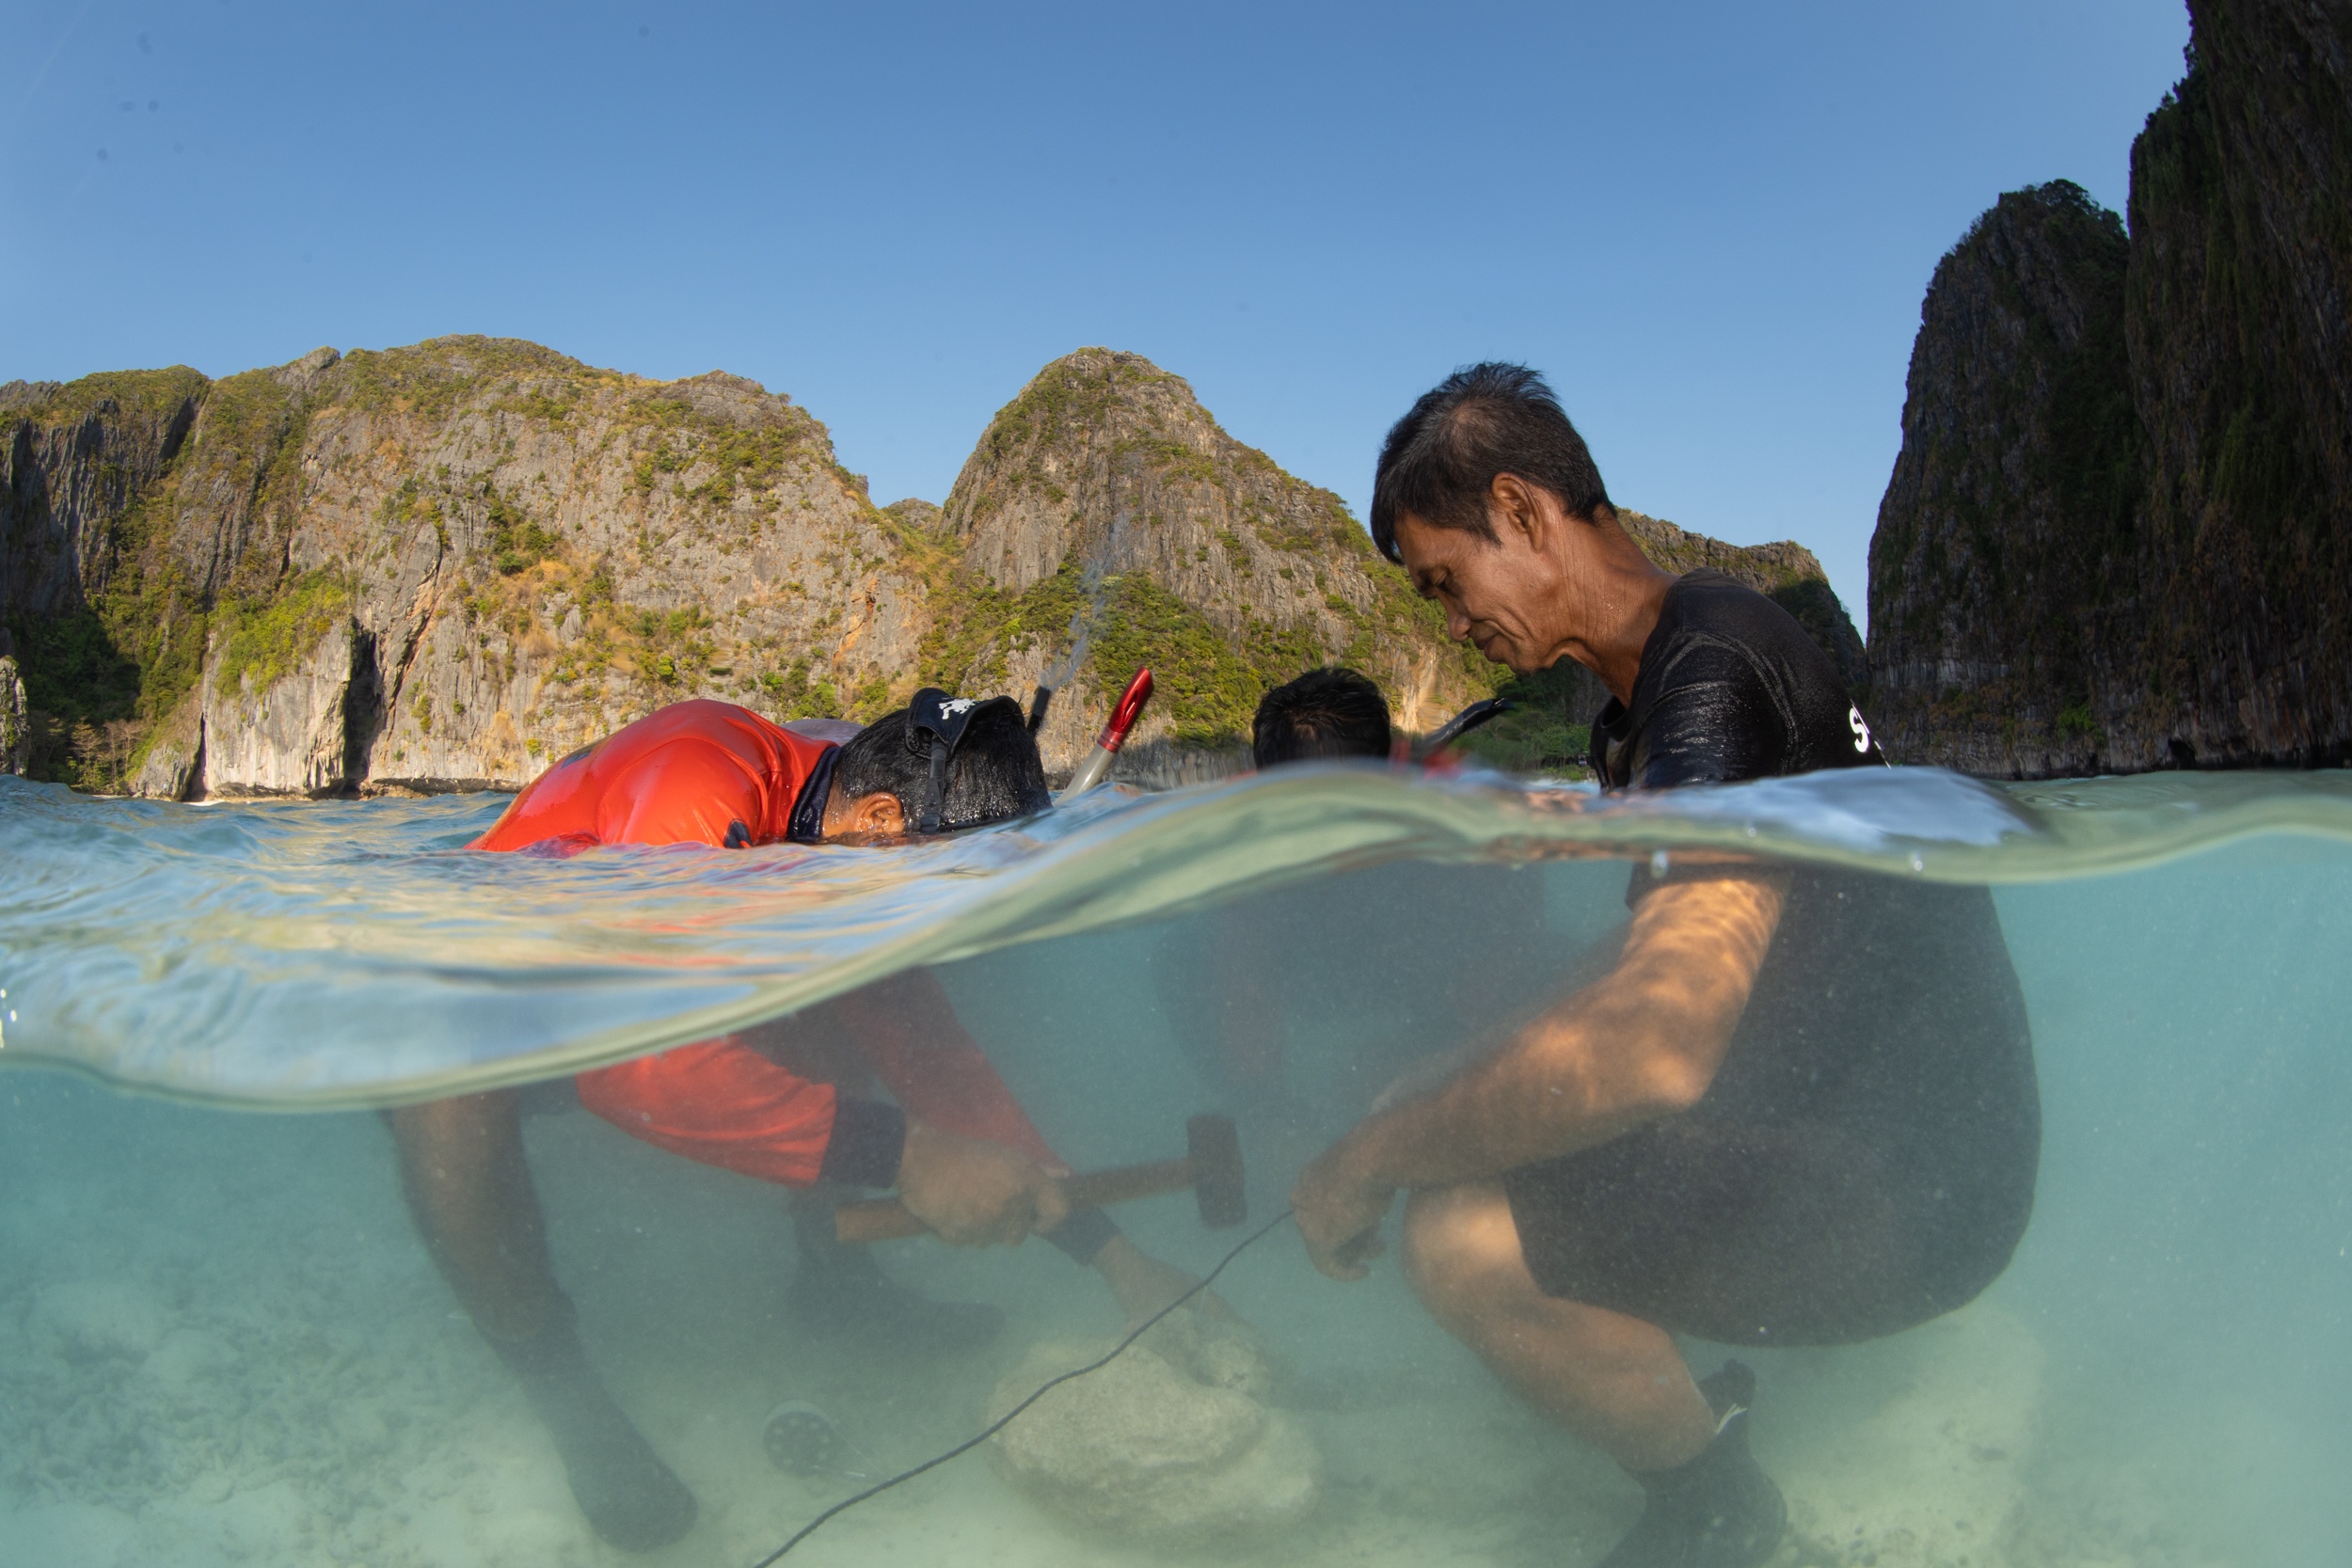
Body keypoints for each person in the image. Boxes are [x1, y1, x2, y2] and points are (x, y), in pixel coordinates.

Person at [1289, 365, 2040, 1568]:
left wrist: (1371, 1153)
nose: (1447, 619)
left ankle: (1716, 1504)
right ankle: (1694, 1390)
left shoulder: (1709, 675)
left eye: (1445, 579)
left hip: (1912, 1191)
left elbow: (1651, 1045)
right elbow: (1649, 962)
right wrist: (1447, 1078)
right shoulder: (1647, 699)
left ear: (1523, 510)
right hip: (1882, 1137)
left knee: (1458, 1230)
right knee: (1479, 1116)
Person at [390, 694, 1205, 1552]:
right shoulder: (698, 796)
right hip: (483, 987)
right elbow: (636, 1066)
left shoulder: (847, 803)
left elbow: (933, 1056)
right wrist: (909, 1153)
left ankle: (834, 1286)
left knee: (840, 987)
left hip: (645, 974)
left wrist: (1115, 1256)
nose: (951, 921)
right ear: (887, 822)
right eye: (955, 884)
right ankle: (565, 1395)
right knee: (446, 1098)